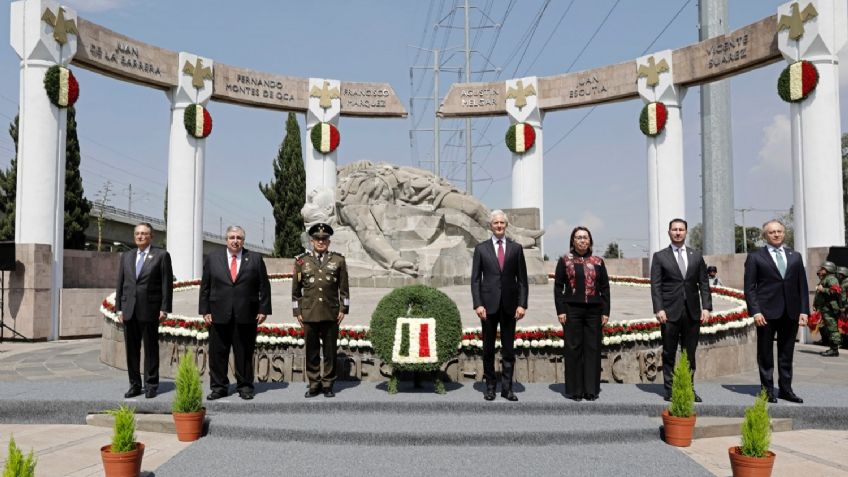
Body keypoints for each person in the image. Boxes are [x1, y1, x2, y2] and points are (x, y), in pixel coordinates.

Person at [199, 225, 271, 400]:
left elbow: (264, 286)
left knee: (244, 352)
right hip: (218, 313)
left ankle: (245, 386)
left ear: (243, 241)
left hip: (246, 314)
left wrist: (263, 309)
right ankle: (219, 387)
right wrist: (204, 310)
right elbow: (205, 286)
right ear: (226, 240)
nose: (235, 241)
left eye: (238, 238)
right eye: (232, 237)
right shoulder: (213, 258)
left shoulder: (254, 259)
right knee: (218, 353)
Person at [743, 219, 808, 403]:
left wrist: (804, 311)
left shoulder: (795, 256)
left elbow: (802, 285)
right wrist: (755, 311)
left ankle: (786, 389)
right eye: (772, 232)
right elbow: (750, 288)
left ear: (784, 233)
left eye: (779, 231)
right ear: (765, 236)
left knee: (786, 353)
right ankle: (768, 390)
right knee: (765, 354)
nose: (776, 234)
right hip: (765, 313)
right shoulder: (755, 257)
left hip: (791, 312)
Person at [650, 218, 712, 402]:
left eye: (681, 229)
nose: (678, 232)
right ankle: (669, 390)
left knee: (689, 353)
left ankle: (688, 388)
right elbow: (656, 285)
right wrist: (658, 308)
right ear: (669, 232)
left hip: (692, 312)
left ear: (686, 232)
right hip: (669, 312)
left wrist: (706, 307)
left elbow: (704, 283)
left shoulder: (696, 255)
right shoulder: (660, 256)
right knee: (669, 352)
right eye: (674, 229)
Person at [471, 210, 528, 401]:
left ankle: (507, 388)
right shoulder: (481, 249)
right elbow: (475, 280)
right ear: (490, 226)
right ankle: (489, 387)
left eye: (502, 223)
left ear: (506, 225)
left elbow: (522, 280)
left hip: (510, 307)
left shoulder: (516, 248)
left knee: (508, 349)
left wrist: (522, 304)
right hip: (487, 307)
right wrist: (478, 304)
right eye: (496, 223)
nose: (499, 226)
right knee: (488, 348)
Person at [114, 223, 173, 399]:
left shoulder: (161, 256)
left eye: (144, 234)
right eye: (138, 233)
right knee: (131, 350)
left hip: (150, 309)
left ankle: (151, 385)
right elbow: (121, 284)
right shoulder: (127, 256)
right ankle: (134, 384)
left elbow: (166, 284)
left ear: (151, 236)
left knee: (150, 348)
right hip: (129, 309)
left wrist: (165, 308)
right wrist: (119, 308)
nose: (140, 236)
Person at [292, 223, 350, 398]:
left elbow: (344, 288)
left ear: (329, 242)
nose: (321, 241)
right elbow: (296, 291)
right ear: (312, 241)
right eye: (317, 239)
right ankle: (314, 383)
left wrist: (343, 308)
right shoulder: (301, 261)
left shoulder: (338, 260)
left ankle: (328, 384)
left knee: (330, 351)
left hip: (331, 313)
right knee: (312, 350)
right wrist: (297, 311)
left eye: (324, 239)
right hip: (309, 313)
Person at [554, 226, 610, 401]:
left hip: (594, 310)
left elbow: (605, 288)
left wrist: (606, 311)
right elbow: (558, 287)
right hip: (572, 310)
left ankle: (591, 390)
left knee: (593, 349)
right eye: (578, 237)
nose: (582, 240)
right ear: (573, 241)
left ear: (590, 241)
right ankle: (575, 390)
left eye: (585, 237)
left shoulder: (598, 261)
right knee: (573, 349)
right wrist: (561, 310)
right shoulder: (565, 261)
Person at [813, 261, 841, 357]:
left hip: (830, 308)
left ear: (828, 269)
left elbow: (836, 291)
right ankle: (832, 348)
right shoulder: (825, 279)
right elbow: (819, 295)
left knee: (832, 329)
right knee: (829, 328)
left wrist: (823, 289)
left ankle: (834, 350)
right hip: (825, 308)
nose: (820, 270)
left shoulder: (832, 279)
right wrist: (815, 305)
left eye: (823, 268)